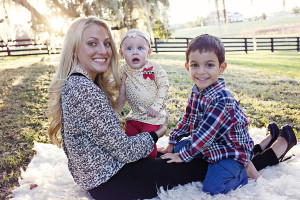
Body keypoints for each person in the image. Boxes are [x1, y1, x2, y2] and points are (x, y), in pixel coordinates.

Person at [46, 16, 209, 200]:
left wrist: (124, 102)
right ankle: (241, 158)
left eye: (107, 43)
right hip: (112, 181)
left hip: (107, 173)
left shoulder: (79, 82)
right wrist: (157, 134)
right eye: (92, 43)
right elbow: (124, 150)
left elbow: (106, 132)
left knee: (172, 156)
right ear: (74, 49)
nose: (103, 50)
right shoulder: (82, 89)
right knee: (193, 165)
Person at [159, 34, 298, 195]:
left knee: (213, 187)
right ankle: (266, 143)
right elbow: (187, 119)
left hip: (230, 150)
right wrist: (172, 141)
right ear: (187, 66)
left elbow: (205, 135)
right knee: (176, 148)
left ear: (222, 67)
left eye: (209, 65)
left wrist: (183, 156)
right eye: (195, 65)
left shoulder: (222, 98)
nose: (201, 72)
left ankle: (245, 169)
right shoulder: (196, 91)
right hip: (211, 146)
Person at [118, 29, 169, 159]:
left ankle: (150, 164)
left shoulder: (155, 68)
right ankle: (134, 163)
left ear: (149, 52)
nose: (135, 52)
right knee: (128, 138)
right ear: (121, 53)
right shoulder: (123, 70)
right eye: (129, 48)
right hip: (135, 115)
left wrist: (157, 106)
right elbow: (115, 87)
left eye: (140, 48)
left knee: (147, 141)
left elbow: (164, 86)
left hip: (152, 115)